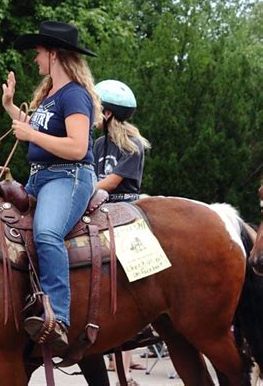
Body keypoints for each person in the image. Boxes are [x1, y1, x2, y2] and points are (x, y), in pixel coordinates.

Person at [1, 21, 102, 349]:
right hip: (40, 178)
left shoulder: (75, 95)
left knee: (46, 233)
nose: (35, 59)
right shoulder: (49, 95)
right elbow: (38, 128)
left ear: (54, 54)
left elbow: (76, 147)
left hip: (69, 177)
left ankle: (58, 317)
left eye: (39, 52)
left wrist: (30, 134)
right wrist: (10, 108)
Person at [93, 79, 150, 384]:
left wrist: (82, 190)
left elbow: (112, 182)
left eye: (96, 108)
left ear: (109, 114)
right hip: (97, 205)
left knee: (136, 269)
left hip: (125, 207)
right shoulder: (99, 144)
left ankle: (142, 319)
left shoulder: (133, 144)